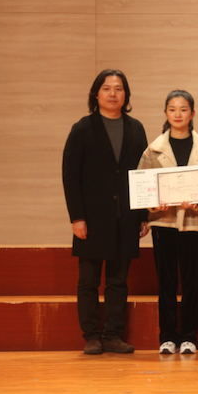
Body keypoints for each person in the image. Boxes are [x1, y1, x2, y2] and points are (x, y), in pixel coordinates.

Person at [62, 69, 149, 355]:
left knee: (118, 280)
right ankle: (91, 336)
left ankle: (113, 335)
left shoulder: (136, 128)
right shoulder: (83, 128)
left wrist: (144, 215)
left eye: (119, 89)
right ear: (96, 94)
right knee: (88, 281)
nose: (113, 94)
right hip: (91, 218)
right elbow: (70, 175)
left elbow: (143, 175)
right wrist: (77, 217)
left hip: (125, 217)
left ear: (126, 95)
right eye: (107, 88)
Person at [137, 90, 198, 355]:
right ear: (166, 114)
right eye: (172, 109)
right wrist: (153, 204)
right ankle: (167, 336)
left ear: (192, 114)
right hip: (163, 223)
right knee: (167, 282)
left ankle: (189, 337)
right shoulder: (153, 150)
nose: (177, 114)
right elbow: (143, 185)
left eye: (183, 109)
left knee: (191, 281)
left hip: (194, 223)